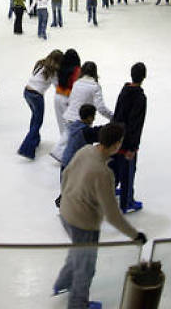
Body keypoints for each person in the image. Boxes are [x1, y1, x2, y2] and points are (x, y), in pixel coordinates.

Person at [53, 123, 147, 308]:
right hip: (84, 224)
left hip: (66, 213)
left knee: (77, 252)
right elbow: (112, 214)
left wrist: (68, 200)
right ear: (116, 145)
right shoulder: (103, 173)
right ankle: (78, 304)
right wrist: (134, 235)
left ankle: (62, 284)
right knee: (86, 268)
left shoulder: (86, 150)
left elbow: (66, 175)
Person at [109, 62, 147, 213]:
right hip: (127, 144)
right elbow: (136, 124)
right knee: (128, 173)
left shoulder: (123, 91)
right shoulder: (140, 97)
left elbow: (117, 114)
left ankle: (110, 192)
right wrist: (133, 147)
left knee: (115, 169)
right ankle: (127, 202)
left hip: (115, 139)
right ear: (144, 76)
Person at [17, 50, 63, 159]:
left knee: (35, 117)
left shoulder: (41, 63)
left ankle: (35, 140)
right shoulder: (52, 71)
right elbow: (57, 86)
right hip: (37, 96)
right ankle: (26, 149)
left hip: (27, 92)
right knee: (38, 121)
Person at [54, 104, 103, 207]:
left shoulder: (75, 126)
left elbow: (95, 131)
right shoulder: (85, 132)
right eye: (94, 116)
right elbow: (99, 134)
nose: (94, 118)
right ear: (90, 117)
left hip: (65, 163)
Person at [49, 49, 81, 162]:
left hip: (57, 97)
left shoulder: (61, 67)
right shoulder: (77, 70)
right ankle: (60, 151)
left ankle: (63, 150)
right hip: (68, 98)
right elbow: (76, 86)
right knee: (70, 126)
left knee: (62, 125)